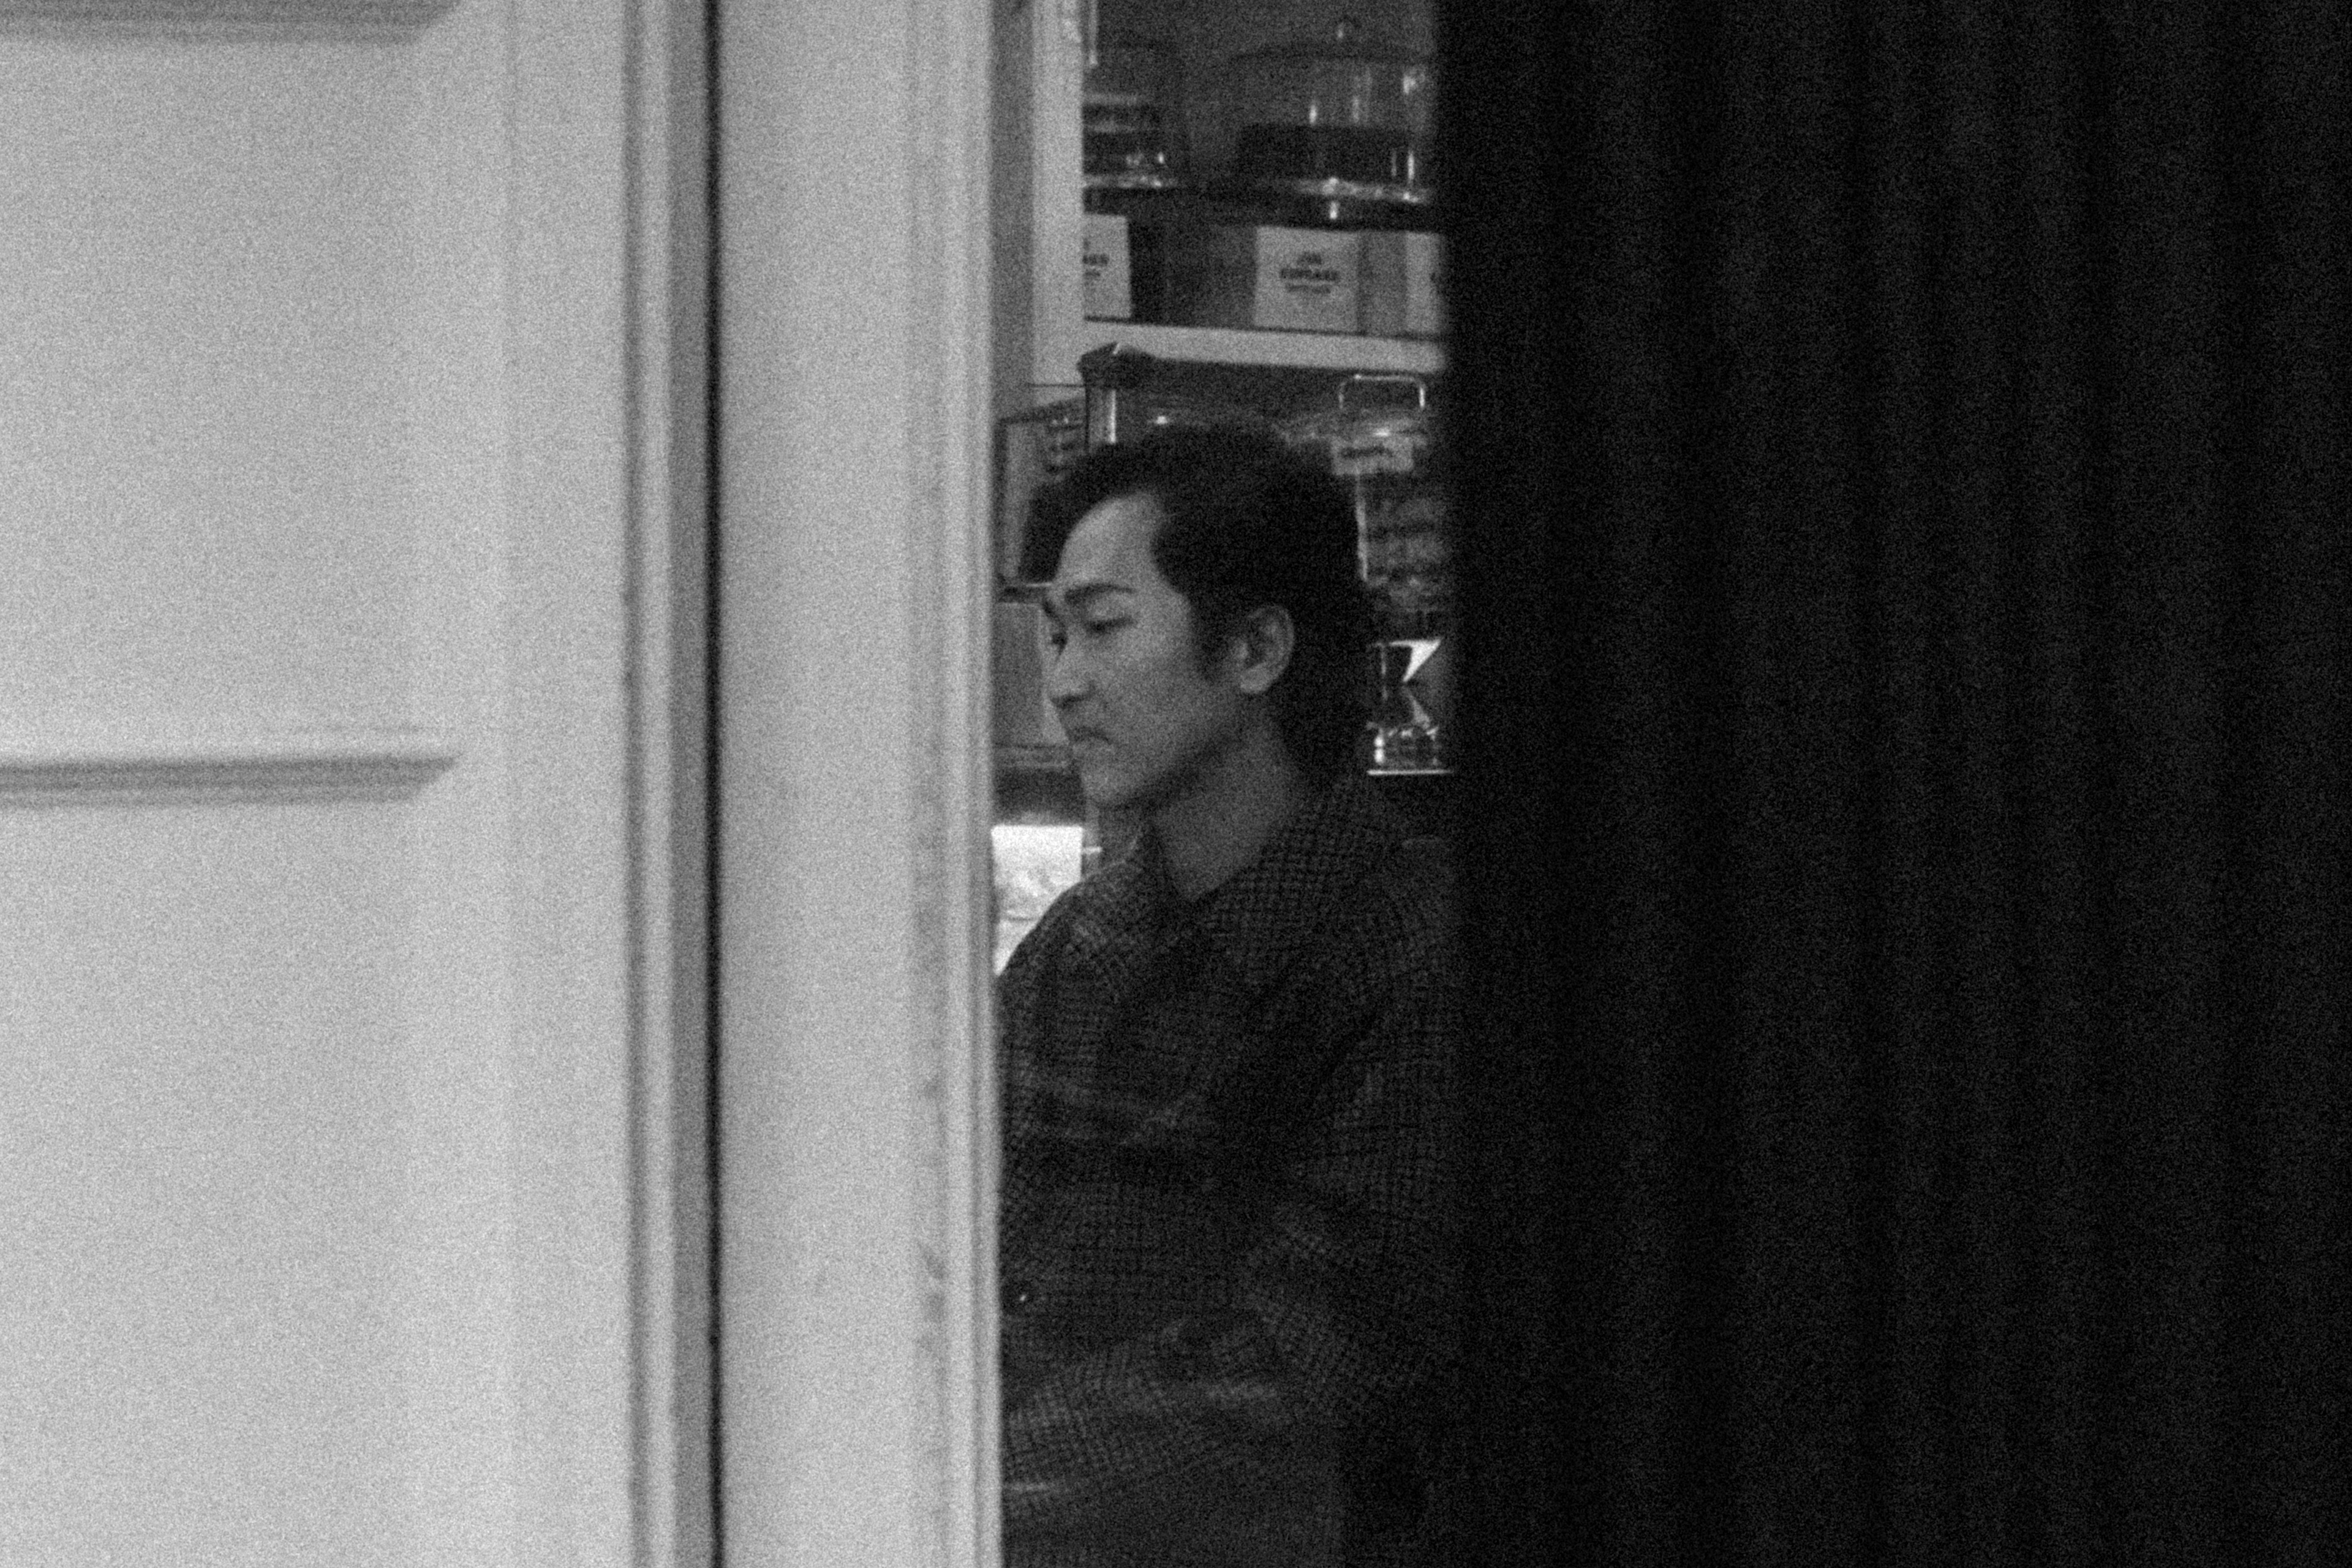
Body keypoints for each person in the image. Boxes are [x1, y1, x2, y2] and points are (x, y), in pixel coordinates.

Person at [997, 424, 1463, 1567]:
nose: (1064, 682)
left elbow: (1304, 1356)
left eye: (1105, 626)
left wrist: (971, 1468)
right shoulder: (1075, 943)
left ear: (1256, 648)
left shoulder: (1415, 958)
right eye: (1056, 634)